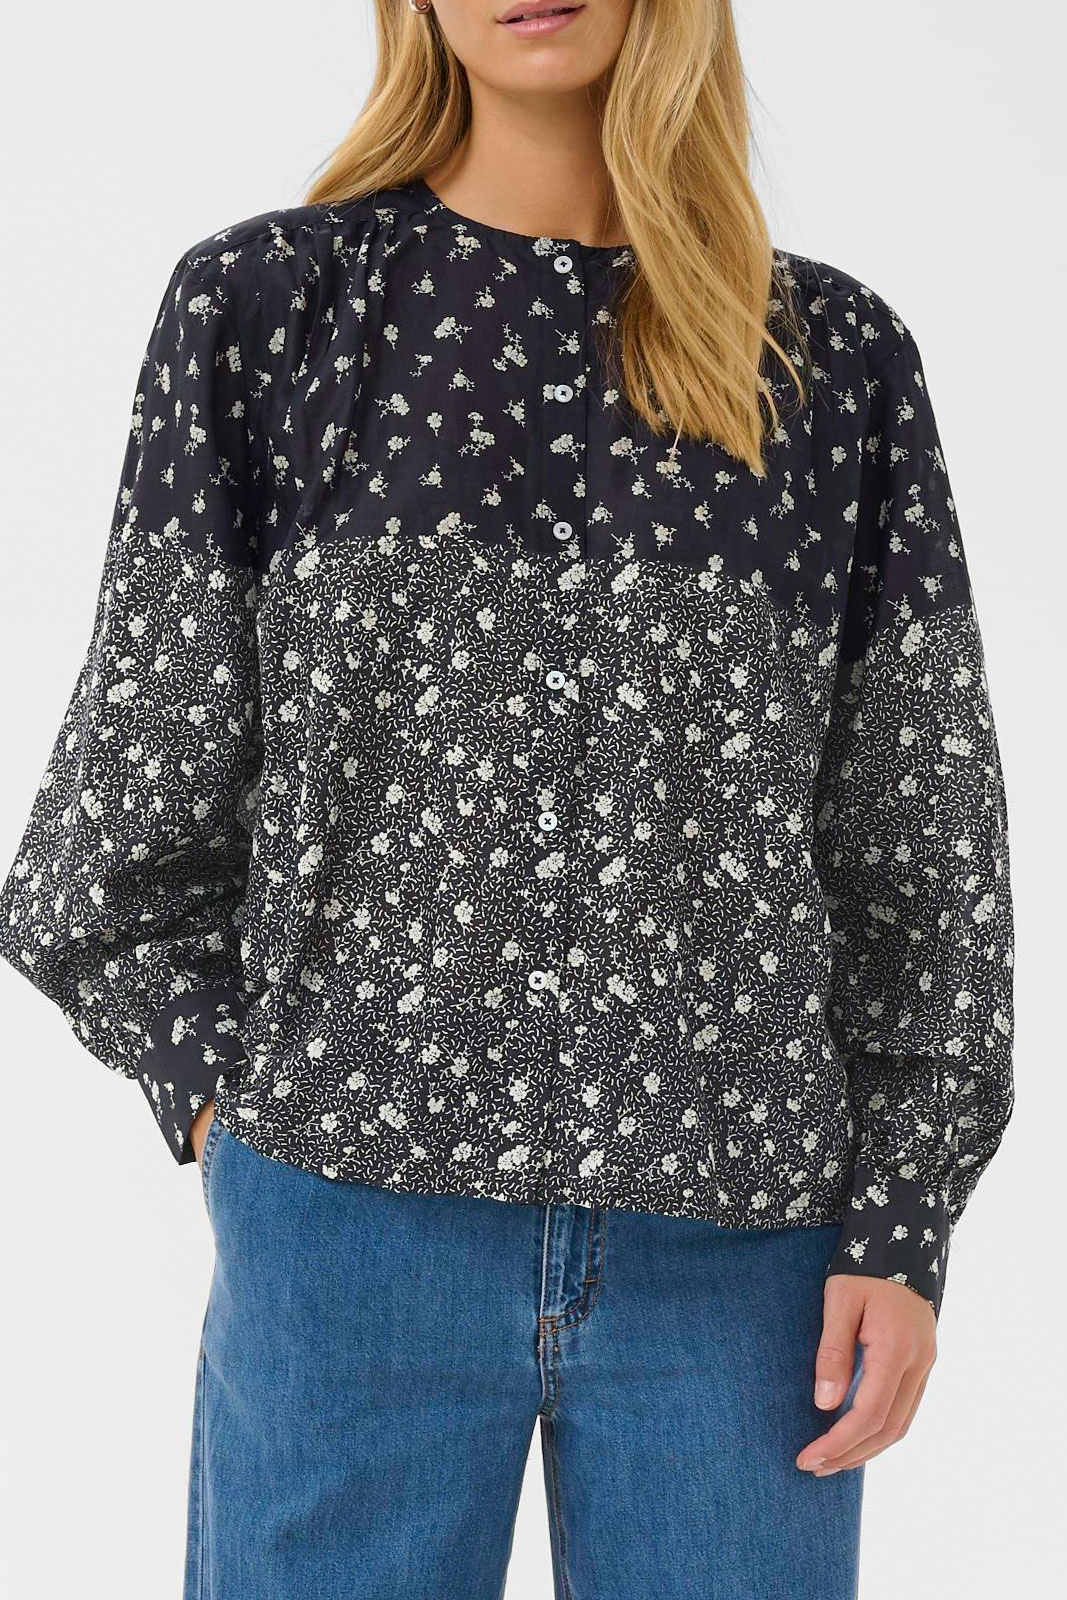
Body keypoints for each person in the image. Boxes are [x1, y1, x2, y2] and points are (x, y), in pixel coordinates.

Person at [0, 3, 1015, 1596]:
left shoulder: (828, 360)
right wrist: (244, 1122)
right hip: (350, 1231)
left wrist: (903, 1222)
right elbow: (111, 828)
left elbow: (922, 842)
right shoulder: (266, 312)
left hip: (743, 1259)